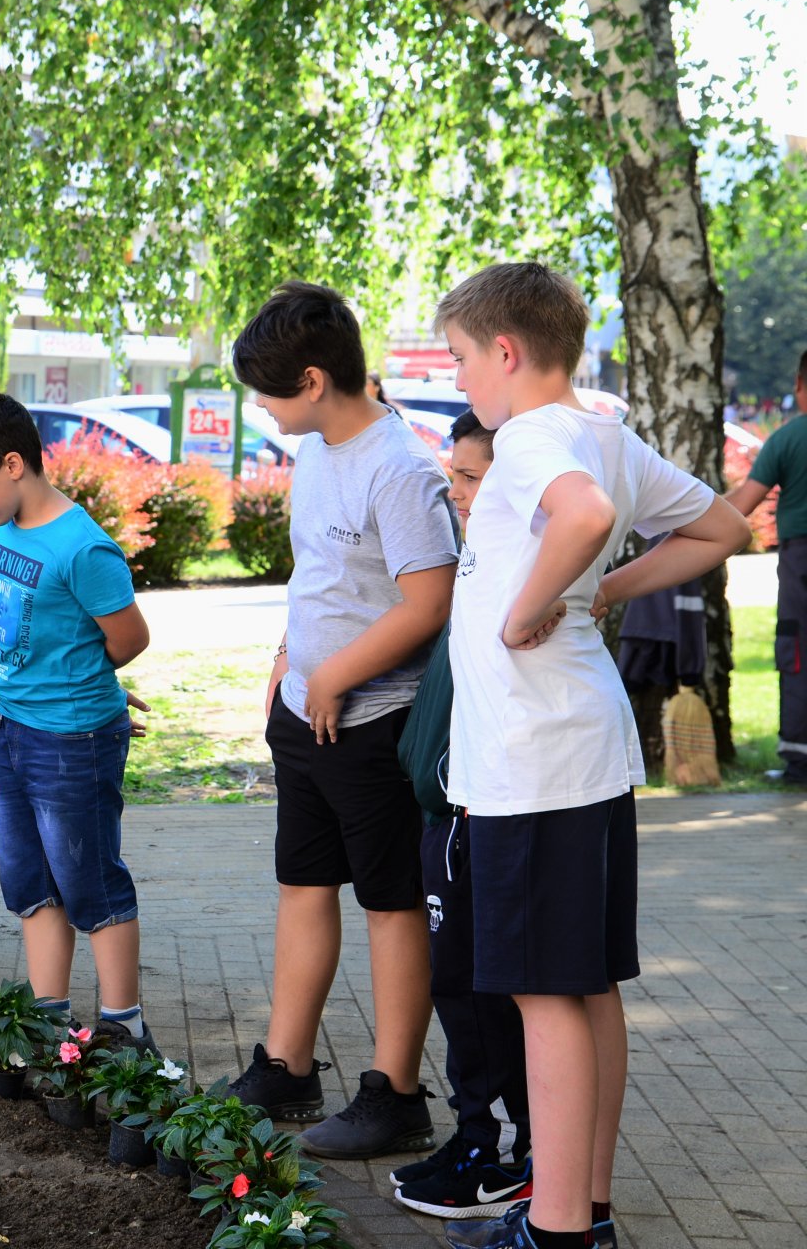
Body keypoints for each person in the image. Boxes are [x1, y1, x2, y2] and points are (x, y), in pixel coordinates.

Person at [436, 262, 748, 1249]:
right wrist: (605, 593)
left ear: (507, 352)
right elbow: (722, 525)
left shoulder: (530, 438)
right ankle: (586, 1208)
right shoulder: (601, 432)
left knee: (542, 991)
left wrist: (532, 606)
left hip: (534, 757)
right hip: (581, 747)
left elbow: (585, 520)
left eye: (460, 358)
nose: (462, 381)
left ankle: (558, 1227)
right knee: (583, 983)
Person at [228, 282, 453, 1161]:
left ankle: (396, 1091)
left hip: (373, 724)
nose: (263, 407)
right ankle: (287, 1065)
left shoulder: (400, 468)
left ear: (314, 380)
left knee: (392, 905)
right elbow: (321, 574)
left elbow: (428, 601)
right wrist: (294, 662)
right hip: (308, 711)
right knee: (302, 884)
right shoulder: (319, 445)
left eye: (270, 390)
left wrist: (339, 677)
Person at [0, 392, 155, 1051]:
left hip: (71, 740)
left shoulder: (82, 548)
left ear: (12, 464)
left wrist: (85, 690)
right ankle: (49, 1016)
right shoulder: (0, 524)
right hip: (7, 726)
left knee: (90, 881)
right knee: (29, 879)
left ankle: (124, 1027)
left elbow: (128, 639)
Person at [391, 410, 535, 1221]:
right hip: (443, 807)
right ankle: (477, 1134)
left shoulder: (523, 564)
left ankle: (500, 1151)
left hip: (481, 809)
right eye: (454, 475)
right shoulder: (476, 556)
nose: (456, 492)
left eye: (470, 477)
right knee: (457, 984)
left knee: (483, 990)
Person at [726, 348, 807, 784]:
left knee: (797, 651)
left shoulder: (788, 439)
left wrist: (680, 516)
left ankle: (799, 758)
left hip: (800, 560)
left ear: (798, 386)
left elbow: (741, 506)